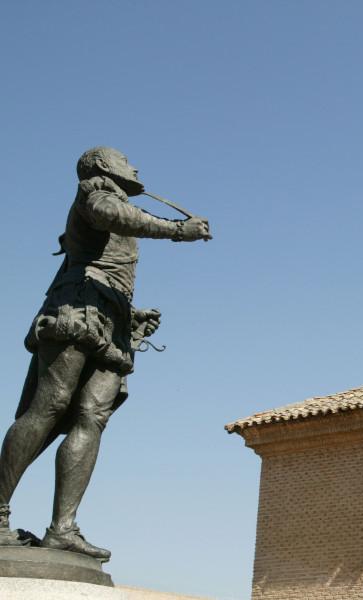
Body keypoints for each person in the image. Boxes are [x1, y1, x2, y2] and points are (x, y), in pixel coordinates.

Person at [0, 147, 210, 561]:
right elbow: (110, 216)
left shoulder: (116, 196)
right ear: (102, 166)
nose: (134, 167)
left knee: (93, 416)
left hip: (110, 315)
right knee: (50, 405)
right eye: (126, 159)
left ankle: (63, 529)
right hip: (79, 306)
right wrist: (177, 230)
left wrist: (131, 313)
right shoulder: (96, 189)